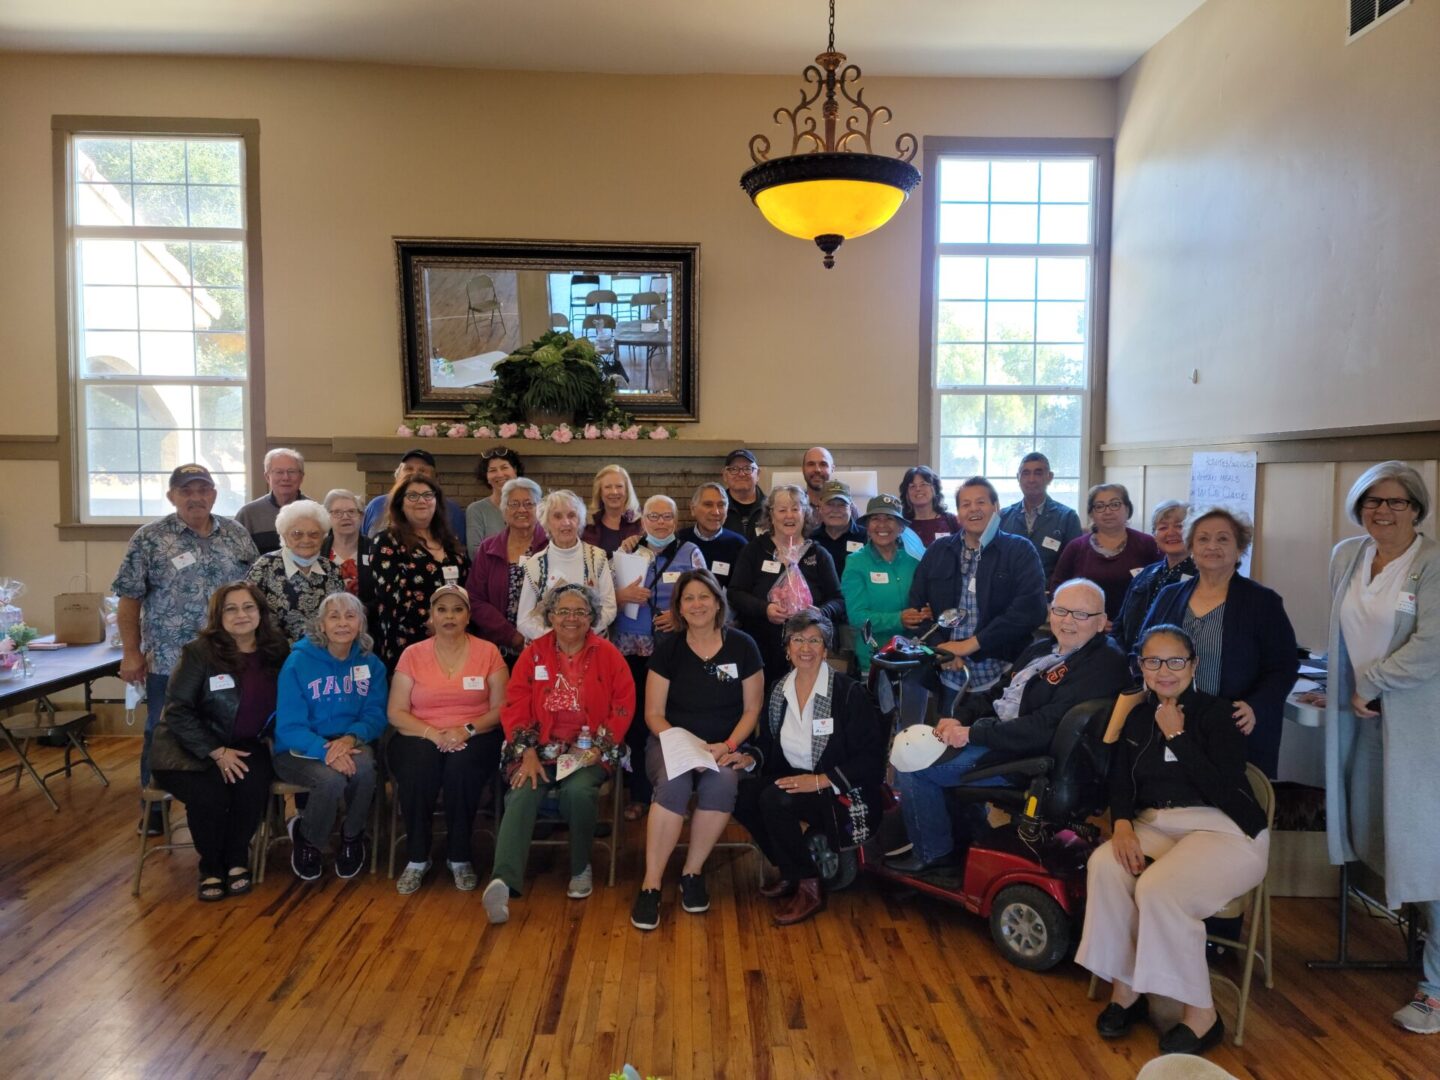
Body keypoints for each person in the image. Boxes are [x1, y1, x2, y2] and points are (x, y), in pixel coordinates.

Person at [1075, 624, 1269, 1057]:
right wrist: (1122, 823)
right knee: (1106, 865)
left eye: (1175, 661)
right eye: (1152, 661)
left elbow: (1223, 789)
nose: (1164, 671)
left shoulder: (1218, 714)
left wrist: (1178, 736)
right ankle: (1126, 991)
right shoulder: (1138, 716)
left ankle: (1202, 1016)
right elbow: (1120, 780)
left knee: (1159, 888)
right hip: (1156, 824)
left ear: (1193, 665)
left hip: (1225, 829)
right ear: (1141, 666)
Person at [888, 578, 1129, 873]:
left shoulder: (1102, 664)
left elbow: (1042, 728)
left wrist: (972, 733)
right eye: (1061, 611)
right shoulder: (1044, 649)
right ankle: (973, 836)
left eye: (1081, 614)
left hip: (1027, 758)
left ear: (1102, 621)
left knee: (913, 766)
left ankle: (934, 854)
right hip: (1003, 737)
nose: (1068, 621)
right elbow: (1000, 692)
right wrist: (961, 718)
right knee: (927, 745)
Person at [1319, 461, 1440, 1034]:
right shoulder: (1348, 555)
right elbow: (1342, 632)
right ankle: (1408, 945)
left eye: (1396, 502)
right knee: (1374, 831)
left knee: (1427, 849)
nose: (1383, 512)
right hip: (1363, 719)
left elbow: (1432, 647)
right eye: (1373, 502)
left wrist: (1374, 682)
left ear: (1416, 508)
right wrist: (1337, 685)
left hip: (1419, 723)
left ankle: (1436, 988)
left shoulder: (1433, 563)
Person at [112, 463, 258, 830]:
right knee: (161, 729)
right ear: (171, 496)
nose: (195, 497)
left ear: (213, 493)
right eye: (186, 490)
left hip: (230, 658)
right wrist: (131, 652)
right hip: (170, 657)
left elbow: (256, 590)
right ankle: (155, 810)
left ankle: (226, 802)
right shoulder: (150, 538)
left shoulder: (236, 534)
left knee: (229, 728)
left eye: (203, 489)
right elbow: (129, 599)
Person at [480, 583, 635, 924]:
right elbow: (515, 703)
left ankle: (581, 867)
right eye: (563, 611)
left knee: (578, 792)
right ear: (549, 615)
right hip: (539, 748)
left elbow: (623, 706)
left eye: (580, 612)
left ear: (592, 618)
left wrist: (599, 748)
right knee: (522, 791)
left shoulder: (608, 654)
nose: (571, 618)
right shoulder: (533, 653)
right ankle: (503, 882)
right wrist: (528, 753)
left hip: (589, 748)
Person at [731, 609, 885, 925]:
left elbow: (871, 760)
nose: (805, 648)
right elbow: (769, 743)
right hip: (796, 779)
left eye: (814, 640)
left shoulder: (848, 694)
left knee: (775, 799)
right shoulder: (779, 690)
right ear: (787, 649)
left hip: (841, 790)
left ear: (825, 649)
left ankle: (809, 886)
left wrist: (819, 781)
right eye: (798, 640)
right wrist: (752, 758)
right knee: (742, 793)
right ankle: (791, 869)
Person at [631, 570, 765, 932]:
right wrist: (684, 743)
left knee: (722, 783)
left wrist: (729, 745)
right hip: (671, 740)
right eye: (688, 598)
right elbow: (653, 714)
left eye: (703, 597)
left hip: (727, 744)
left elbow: (752, 709)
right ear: (679, 607)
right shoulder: (668, 649)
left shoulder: (743, 646)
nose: (697, 605)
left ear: (718, 602)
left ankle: (692, 872)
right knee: (673, 785)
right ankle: (652, 884)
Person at [148, 581, 287, 901]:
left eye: (249, 607)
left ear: (261, 613)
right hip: (188, 747)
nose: (241, 615)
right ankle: (211, 866)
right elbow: (178, 711)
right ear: (218, 616)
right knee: (210, 794)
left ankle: (237, 858)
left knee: (252, 787)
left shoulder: (276, 650)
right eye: (231, 609)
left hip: (245, 743)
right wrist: (216, 751)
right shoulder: (200, 653)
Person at [1139, 507, 1298, 777]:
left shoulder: (1263, 602)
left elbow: (1283, 666)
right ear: (1191, 547)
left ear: (1240, 549)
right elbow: (1141, 649)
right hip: (1171, 719)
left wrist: (1256, 705)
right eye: (1203, 539)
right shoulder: (1169, 596)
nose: (1212, 546)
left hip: (1234, 724)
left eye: (1223, 539)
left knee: (1231, 802)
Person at [386, 586, 508, 894]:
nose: (449, 616)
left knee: (461, 769)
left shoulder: (489, 652)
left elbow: (502, 709)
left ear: (468, 616)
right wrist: (433, 734)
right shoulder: (412, 654)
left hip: (475, 733)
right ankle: (416, 858)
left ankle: (460, 856)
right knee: (418, 769)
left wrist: (465, 729)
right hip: (419, 733)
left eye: (457, 610)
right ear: (431, 616)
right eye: (442, 610)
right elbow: (396, 712)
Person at [272, 591, 389, 882]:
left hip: (351, 741)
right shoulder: (297, 662)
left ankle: (352, 837)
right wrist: (326, 751)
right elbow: (289, 725)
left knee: (364, 770)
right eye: (333, 616)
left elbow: (375, 714)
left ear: (360, 624)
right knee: (330, 778)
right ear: (321, 625)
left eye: (350, 616)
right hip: (298, 748)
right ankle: (309, 840)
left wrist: (350, 739)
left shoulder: (370, 664)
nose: (342, 623)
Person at [906, 476, 1047, 706]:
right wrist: (942, 648)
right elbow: (917, 607)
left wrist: (971, 644)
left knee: (993, 738)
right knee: (947, 736)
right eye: (966, 504)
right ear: (958, 514)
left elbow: (1030, 610)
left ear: (996, 507)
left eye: (981, 502)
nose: (974, 509)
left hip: (1002, 674)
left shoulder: (1020, 550)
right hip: (947, 672)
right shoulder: (938, 551)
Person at [611, 494, 706, 819]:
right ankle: (639, 794)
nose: (661, 522)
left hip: (675, 649)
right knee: (638, 722)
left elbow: (708, 596)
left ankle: (678, 792)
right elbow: (605, 596)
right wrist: (621, 596)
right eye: (654, 516)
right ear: (643, 520)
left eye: (667, 516)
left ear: (676, 520)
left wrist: (679, 616)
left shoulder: (690, 552)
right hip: (631, 648)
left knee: (675, 719)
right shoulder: (627, 550)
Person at [728, 484, 846, 682]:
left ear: (805, 514)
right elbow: (735, 593)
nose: (789, 516)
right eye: (782, 510)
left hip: (809, 651)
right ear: (771, 515)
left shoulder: (818, 553)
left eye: (795, 509)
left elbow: (838, 600)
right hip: (762, 648)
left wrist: (821, 612)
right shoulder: (754, 550)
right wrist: (764, 609)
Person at [370, 474, 471, 672]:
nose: (421, 501)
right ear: (400, 503)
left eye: (427, 495)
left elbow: (467, 585)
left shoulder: (450, 540)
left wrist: (455, 621)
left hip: (454, 635)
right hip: (408, 638)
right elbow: (392, 595)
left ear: (436, 501)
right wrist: (434, 621)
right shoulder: (387, 541)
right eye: (413, 496)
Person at [515, 490, 617, 640]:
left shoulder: (598, 557)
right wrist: (559, 639)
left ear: (580, 520)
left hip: (592, 644)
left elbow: (609, 607)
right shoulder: (534, 565)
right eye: (557, 516)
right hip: (549, 648)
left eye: (571, 515)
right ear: (546, 522)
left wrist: (580, 634)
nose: (566, 522)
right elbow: (524, 620)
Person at [1050, 483, 1160, 622]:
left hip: (1135, 628)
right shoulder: (1076, 547)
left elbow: (1160, 588)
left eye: (1115, 504)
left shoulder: (1147, 544)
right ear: (1091, 513)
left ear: (1127, 509)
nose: (1107, 511)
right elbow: (1058, 589)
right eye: (1100, 506)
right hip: (1083, 627)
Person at [841, 493, 925, 675]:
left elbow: (924, 600)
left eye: (889, 519)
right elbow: (856, 617)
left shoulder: (915, 560)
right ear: (867, 527)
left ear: (901, 527)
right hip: (875, 659)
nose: (882, 525)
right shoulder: (856, 562)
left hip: (914, 654)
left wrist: (926, 612)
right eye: (875, 519)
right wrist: (899, 619)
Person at [465, 477, 546, 658]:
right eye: (514, 504)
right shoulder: (488, 548)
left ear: (539, 509)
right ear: (504, 510)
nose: (521, 510)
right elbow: (475, 598)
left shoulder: (552, 546)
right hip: (497, 647)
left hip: (544, 644)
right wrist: (513, 637)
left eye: (528, 503)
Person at [245, 499, 345, 643]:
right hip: (276, 656)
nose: (306, 540)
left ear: (323, 537)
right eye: (297, 534)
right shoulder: (264, 566)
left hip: (324, 653)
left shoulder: (332, 569)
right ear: (284, 536)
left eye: (314, 534)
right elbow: (248, 613)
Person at [1115, 500, 1195, 651]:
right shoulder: (1145, 574)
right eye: (1163, 527)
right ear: (1154, 536)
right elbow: (1120, 625)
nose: (1171, 532)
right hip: (1129, 664)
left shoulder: (1201, 578)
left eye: (1179, 526)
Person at [997, 452, 1082, 582]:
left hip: (1049, 596)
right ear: (1018, 477)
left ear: (1049, 477)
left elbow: (1075, 565)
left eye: (1038, 473)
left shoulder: (1067, 517)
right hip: (1008, 596)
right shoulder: (1003, 516)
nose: (1031, 479)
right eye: (1025, 473)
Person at [362, 448, 467, 541]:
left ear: (436, 479)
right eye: (408, 469)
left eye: (422, 470)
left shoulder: (452, 510)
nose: (414, 474)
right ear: (396, 475)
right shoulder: (376, 505)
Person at [235, 448, 308, 555]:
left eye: (291, 472)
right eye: (279, 472)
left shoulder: (315, 512)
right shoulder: (248, 514)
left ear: (301, 477)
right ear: (267, 477)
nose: (286, 477)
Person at [675, 482, 747, 588]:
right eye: (708, 505)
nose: (716, 512)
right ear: (693, 509)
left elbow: (742, 591)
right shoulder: (679, 541)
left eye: (721, 505)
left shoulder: (739, 545)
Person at [465, 446, 524, 557]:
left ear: (515, 470)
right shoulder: (476, 510)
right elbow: (475, 553)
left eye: (504, 467)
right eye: (492, 470)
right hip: (491, 572)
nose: (499, 474)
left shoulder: (533, 506)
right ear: (486, 477)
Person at [809, 479, 867, 579]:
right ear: (820, 507)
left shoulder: (867, 537)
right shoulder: (810, 540)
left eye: (842, 505)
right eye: (830, 504)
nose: (835, 510)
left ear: (851, 508)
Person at [321, 488, 372, 602]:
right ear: (327, 517)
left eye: (351, 511)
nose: (345, 517)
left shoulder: (374, 548)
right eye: (337, 512)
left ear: (361, 516)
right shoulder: (318, 548)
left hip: (366, 617)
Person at [581, 463, 644, 554]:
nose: (614, 492)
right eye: (608, 487)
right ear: (600, 492)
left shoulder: (641, 523)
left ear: (627, 490)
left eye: (619, 486)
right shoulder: (588, 524)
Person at [899, 465, 960, 549]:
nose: (918, 489)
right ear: (907, 494)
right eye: (912, 486)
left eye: (923, 484)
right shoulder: (901, 524)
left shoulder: (952, 521)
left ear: (934, 488)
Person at [721, 448, 768, 540]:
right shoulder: (717, 509)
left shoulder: (771, 508)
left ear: (758, 474)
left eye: (747, 468)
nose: (741, 474)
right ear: (725, 475)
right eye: (734, 469)